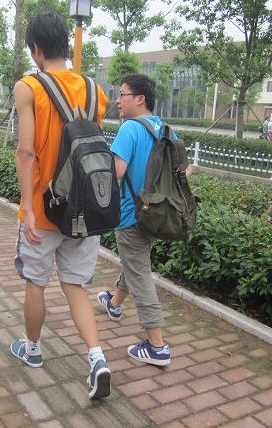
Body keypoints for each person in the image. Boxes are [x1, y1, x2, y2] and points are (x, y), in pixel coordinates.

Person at [10, 11, 111, 400]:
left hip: (44, 208)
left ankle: (33, 350)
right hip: (85, 208)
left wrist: (28, 207)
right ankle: (97, 359)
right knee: (75, 285)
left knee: (36, 282)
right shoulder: (94, 89)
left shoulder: (29, 87)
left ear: (36, 49)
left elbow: (26, 151)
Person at [97, 73, 192, 367]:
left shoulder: (129, 128)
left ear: (139, 99)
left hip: (131, 215)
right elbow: (185, 171)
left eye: (122, 94)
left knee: (140, 274)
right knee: (136, 262)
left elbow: (116, 172)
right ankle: (114, 304)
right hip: (157, 214)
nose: (117, 100)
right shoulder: (166, 129)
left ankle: (157, 346)